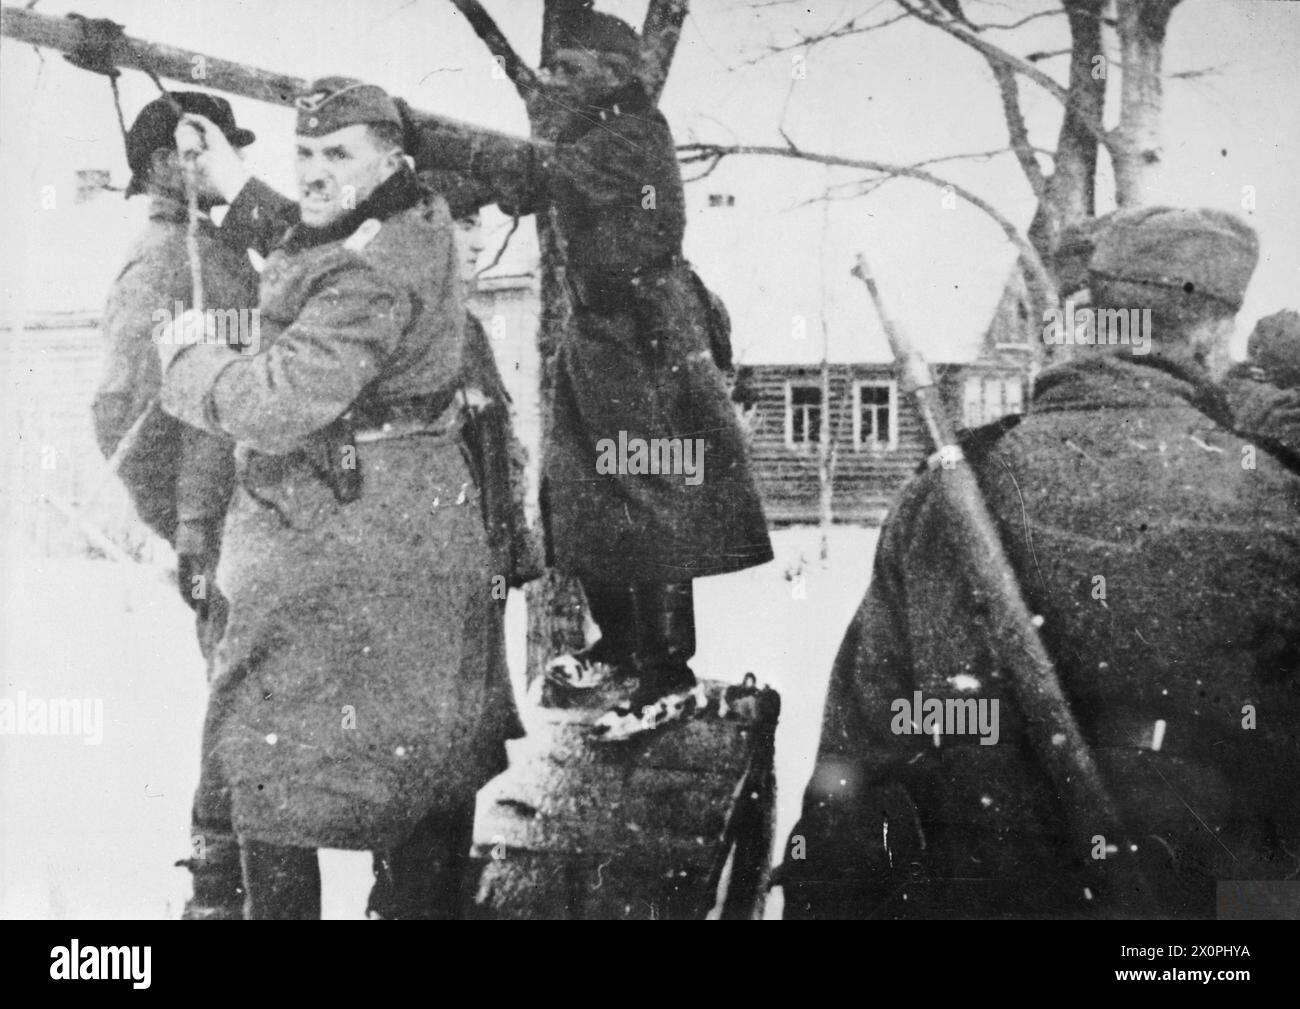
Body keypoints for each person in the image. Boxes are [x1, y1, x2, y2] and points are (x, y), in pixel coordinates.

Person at [780, 207, 1300, 919]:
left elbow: (863, 763)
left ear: (1090, 322)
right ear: (1213, 337)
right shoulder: (1276, 498)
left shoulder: (949, 493)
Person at [161, 77, 523, 919]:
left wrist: (186, 360)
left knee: (276, 748)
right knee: (417, 754)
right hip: (403, 519)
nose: (316, 173)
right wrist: (231, 180)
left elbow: (278, 401)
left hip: (355, 534)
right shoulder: (410, 215)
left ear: (391, 158)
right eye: (306, 154)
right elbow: (311, 231)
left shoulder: (376, 271)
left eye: (338, 155)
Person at [400, 7, 773, 718]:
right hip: (602, 332)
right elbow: (524, 176)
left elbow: (538, 170)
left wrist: (421, 129)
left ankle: (665, 666)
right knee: (582, 485)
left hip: (647, 336)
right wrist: (423, 154)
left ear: (613, 73)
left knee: (645, 486)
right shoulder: (593, 137)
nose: (549, 79)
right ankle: (623, 642)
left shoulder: (633, 137)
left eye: (568, 68)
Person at [91, 91, 259, 920]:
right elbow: (121, 409)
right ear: (168, 163)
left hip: (253, 525)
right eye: (213, 147)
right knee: (240, 691)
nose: (228, 161)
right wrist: (192, 527)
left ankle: (236, 879)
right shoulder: (166, 261)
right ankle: (218, 886)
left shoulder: (215, 250)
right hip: (224, 531)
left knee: (255, 691)